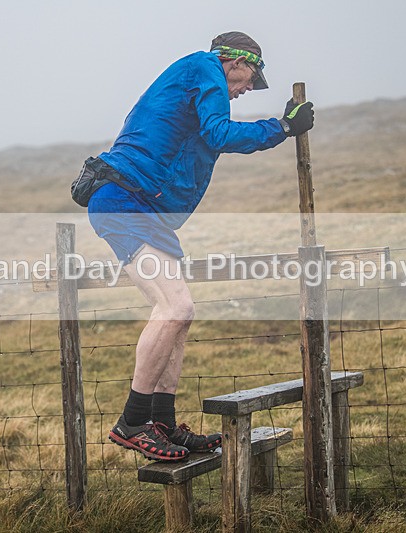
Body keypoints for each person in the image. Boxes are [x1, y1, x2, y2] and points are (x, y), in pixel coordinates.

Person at [85, 31, 315, 461]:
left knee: (180, 317)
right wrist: (283, 127)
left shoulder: (200, 81)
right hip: (123, 200)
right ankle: (133, 423)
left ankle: (163, 425)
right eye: (251, 78)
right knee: (175, 309)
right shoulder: (204, 66)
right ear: (235, 61)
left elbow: (208, 136)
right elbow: (220, 132)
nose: (248, 88)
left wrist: (278, 129)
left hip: (145, 209)